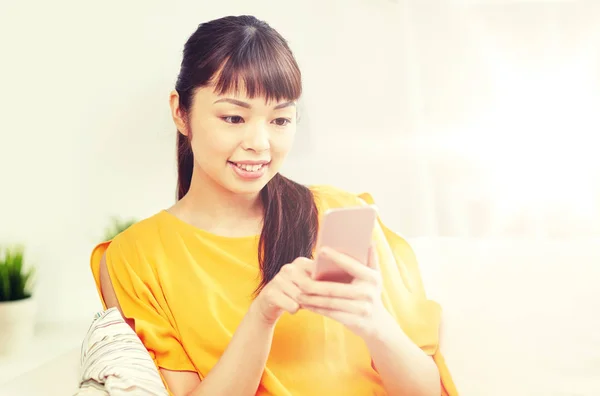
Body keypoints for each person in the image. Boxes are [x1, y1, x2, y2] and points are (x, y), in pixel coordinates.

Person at [90, 15, 457, 396]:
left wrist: (374, 321)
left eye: (280, 119)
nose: (260, 143)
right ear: (180, 112)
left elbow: (429, 390)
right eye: (234, 117)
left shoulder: (339, 214)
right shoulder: (135, 258)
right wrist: (261, 317)